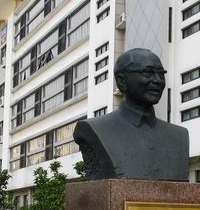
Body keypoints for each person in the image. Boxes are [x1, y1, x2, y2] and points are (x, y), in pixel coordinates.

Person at [73, 48, 189, 181]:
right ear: (122, 80)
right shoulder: (94, 129)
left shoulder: (179, 136)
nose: (157, 80)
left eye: (161, 74)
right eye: (147, 73)